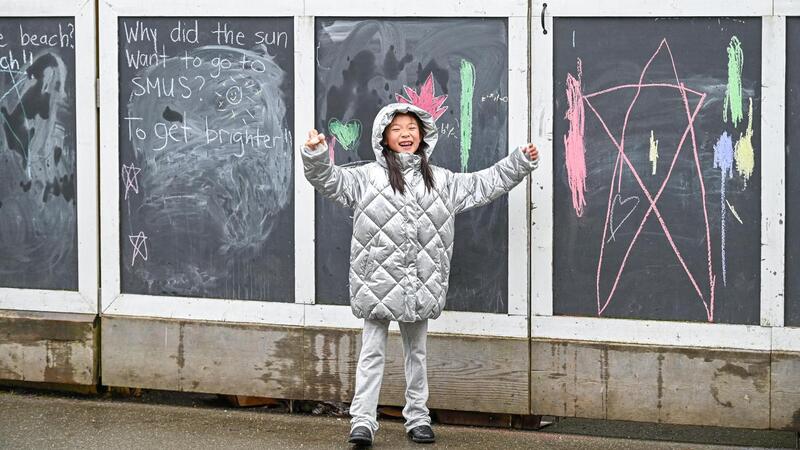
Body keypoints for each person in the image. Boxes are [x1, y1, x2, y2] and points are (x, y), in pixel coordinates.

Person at [302, 103, 539, 446]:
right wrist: (316, 155)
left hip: (420, 283)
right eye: (397, 128)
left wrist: (519, 162)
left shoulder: (441, 180)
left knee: (417, 353)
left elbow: (485, 184)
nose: (405, 134)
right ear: (383, 137)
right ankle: (363, 422)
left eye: (412, 128)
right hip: (377, 284)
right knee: (371, 353)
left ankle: (417, 417)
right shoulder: (367, 177)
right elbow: (329, 180)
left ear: (423, 135)